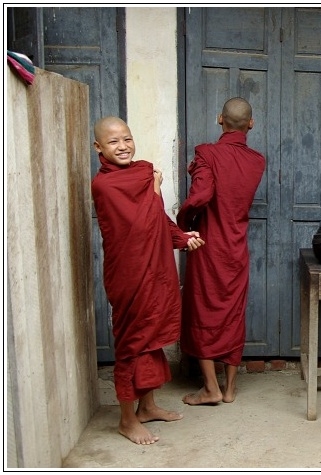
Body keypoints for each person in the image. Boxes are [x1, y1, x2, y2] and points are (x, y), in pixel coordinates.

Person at [91, 116, 205, 445]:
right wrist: (156, 190)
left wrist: (182, 238)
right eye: (113, 142)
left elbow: (156, 221)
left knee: (152, 340)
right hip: (129, 274)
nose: (123, 146)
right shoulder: (104, 185)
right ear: (99, 147)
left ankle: (147, 407)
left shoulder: (142, 171)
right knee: (132, 344)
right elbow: (139, 226)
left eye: (126, 138)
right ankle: (127, 420)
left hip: (154, 267)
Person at [177, 97, 266, 406]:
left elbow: (201, 195)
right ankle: (229, 389)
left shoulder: (207, 154)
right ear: (251, 124)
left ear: (220, 119)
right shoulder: (258, 160)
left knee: (203, 308)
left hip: (209, 244)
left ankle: (210, 388)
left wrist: (183, 222)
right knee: (233, 312)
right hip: (237, 246)